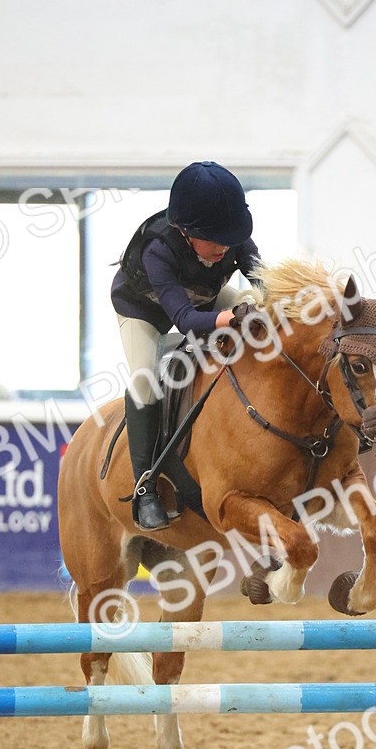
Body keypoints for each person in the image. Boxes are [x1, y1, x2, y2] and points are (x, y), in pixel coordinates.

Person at [111, 161, 261, 530]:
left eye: (228, 238)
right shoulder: (157, 250)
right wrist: (230, 318)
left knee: (255, 306)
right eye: (213, 240)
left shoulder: (232, 238)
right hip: (146, 312)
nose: (223, 247)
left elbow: (265, 282)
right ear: (184, 231)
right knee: (145, 379)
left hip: (202, 297)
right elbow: (185, 320)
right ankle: (145, 488)